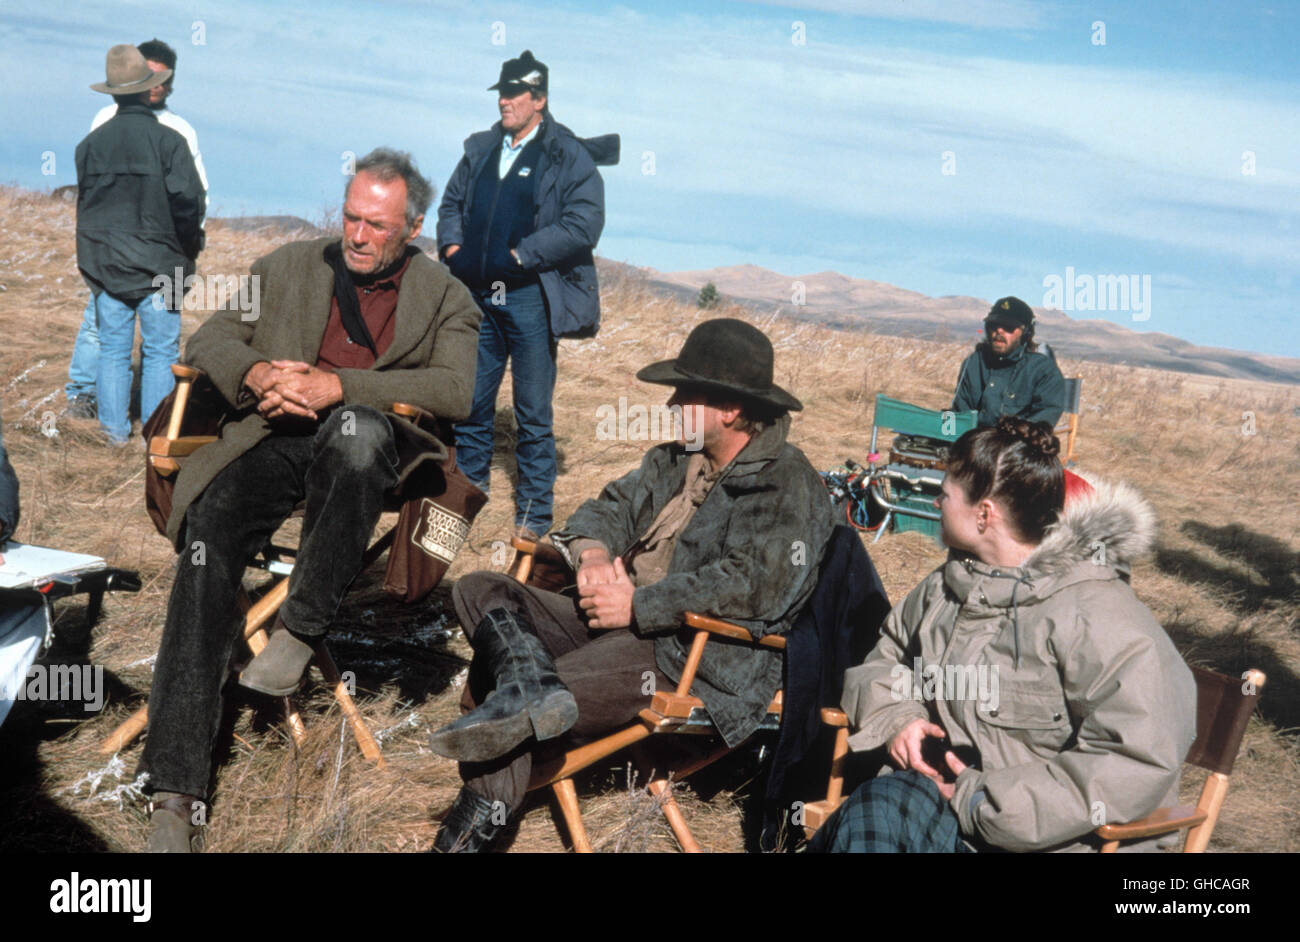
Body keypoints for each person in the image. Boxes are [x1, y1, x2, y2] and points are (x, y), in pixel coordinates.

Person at [137, 149, 481, 852]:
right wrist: (257, 370)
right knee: (208, 545)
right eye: (350, 216)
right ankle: (175, 791)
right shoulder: (287, 266)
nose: (356, 234)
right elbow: (212, 335)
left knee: (354, 434)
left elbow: (457, 390)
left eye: (376, 225)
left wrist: (341, 388)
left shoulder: (447, 295)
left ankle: (300, 627)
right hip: (272, 439)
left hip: (370, 456)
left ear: (411, 227)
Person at [427, 318, 833, 852]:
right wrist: (593, 552)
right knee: (479, 589)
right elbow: (605, 509)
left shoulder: (787, 481)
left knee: (509, 709)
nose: (671, 406)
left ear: (731, 409)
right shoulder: (675, 459)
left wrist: (640, 606)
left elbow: (758, 585)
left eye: (685, 393)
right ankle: (531, 688)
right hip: (614, 623)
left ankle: (460, 841)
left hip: (688, 653)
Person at [810, 418, 1196, 853]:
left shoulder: (1099, 616)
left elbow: (1135, 758)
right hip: (940, 812)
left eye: (945, 492)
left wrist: (984, 801)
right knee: (877, 810)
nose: (936, 501)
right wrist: (901, 720)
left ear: (984, 514)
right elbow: (886, 661)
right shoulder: (946, 587)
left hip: (1054, 841)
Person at [437, 49, 618, 539]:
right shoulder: (481, 149)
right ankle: (465, 496)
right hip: (479, 295)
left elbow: (584, 223)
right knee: (473, 403)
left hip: (529, 298)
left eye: (515, 94)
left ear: (539, 99)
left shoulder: (567, 154)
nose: (504, 103)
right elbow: (451, 203)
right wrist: (453, 246)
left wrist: (523, 255)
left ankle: (534, 516)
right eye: (501, 94)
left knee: (532, 412)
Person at [66, 38, 209, 420]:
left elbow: (88, 204)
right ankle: (153, 435)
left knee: (113, 348)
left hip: (105, 263)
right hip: (162, 264)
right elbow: (190, 203)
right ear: (149, 86)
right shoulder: (173, 140)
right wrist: (188, 251)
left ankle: (111, 435)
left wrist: (94, 258)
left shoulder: (89, 144)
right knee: (160, 350)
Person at [951, 296, 1066, 429]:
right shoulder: (973, 363)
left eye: (1008, 327)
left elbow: (1042, 421)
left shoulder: (1043, 371)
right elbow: (959, 412)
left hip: (1014, 444)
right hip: (972, 441)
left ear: (1026, 333)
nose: (999, 331)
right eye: (994, 325)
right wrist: (943, 430)